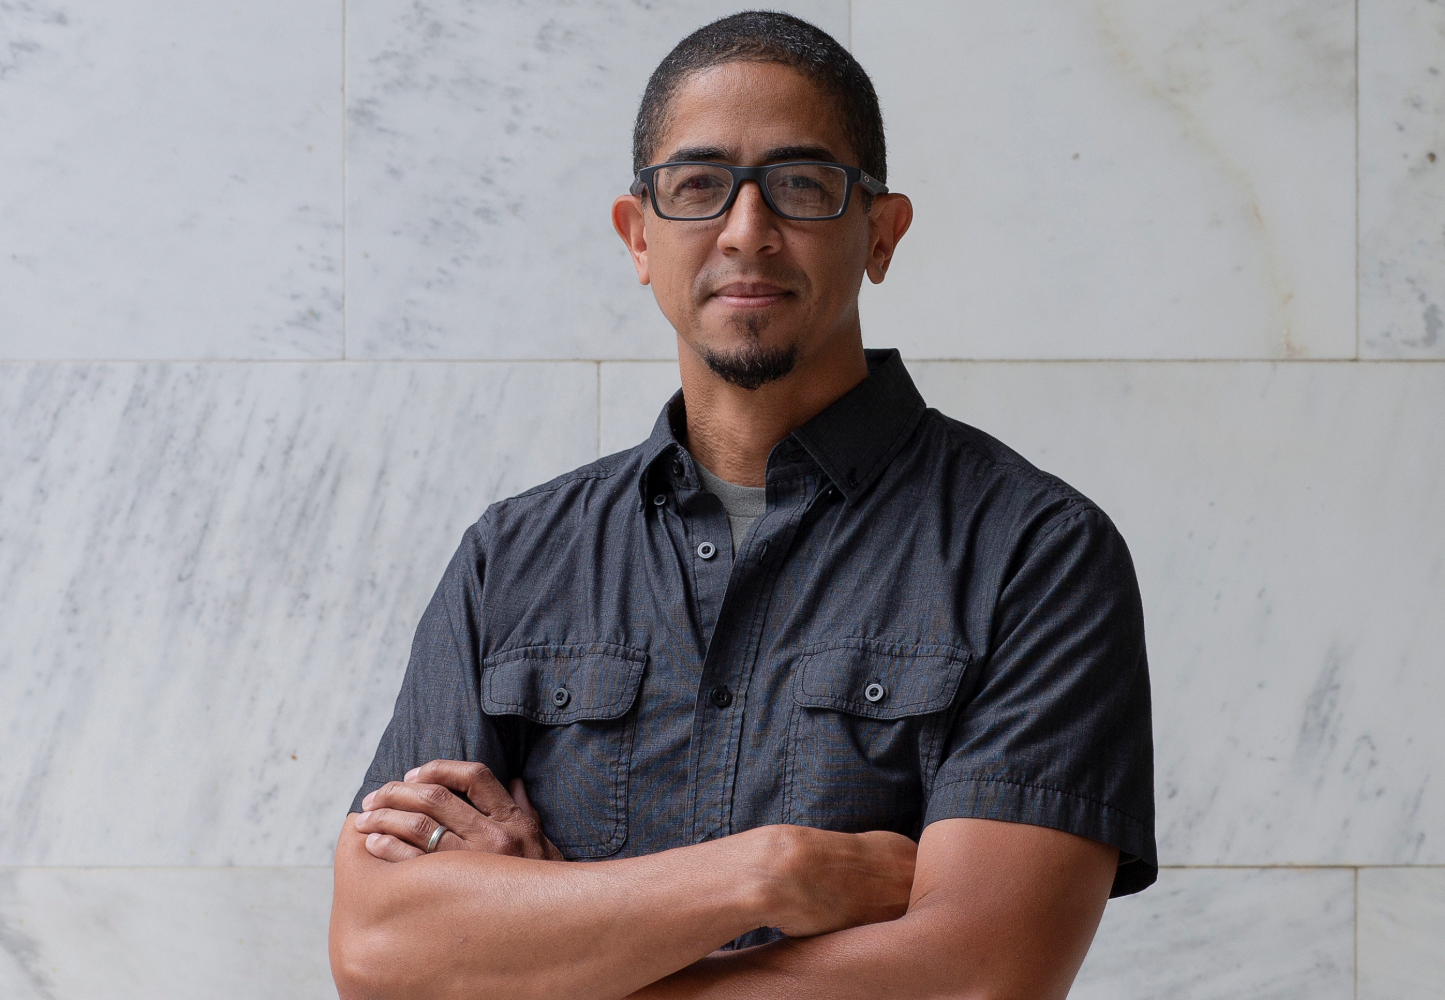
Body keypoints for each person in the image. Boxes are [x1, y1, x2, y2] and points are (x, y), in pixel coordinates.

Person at [329, 11, 1155, 1000]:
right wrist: (770, 872)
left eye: (802, 184)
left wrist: (545, 954)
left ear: (880, 233)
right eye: (699, 185)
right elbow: (381, 951)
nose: (747, 230)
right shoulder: (512, 559)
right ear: (639, 236)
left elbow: (974, 978)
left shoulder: (1037, 555)